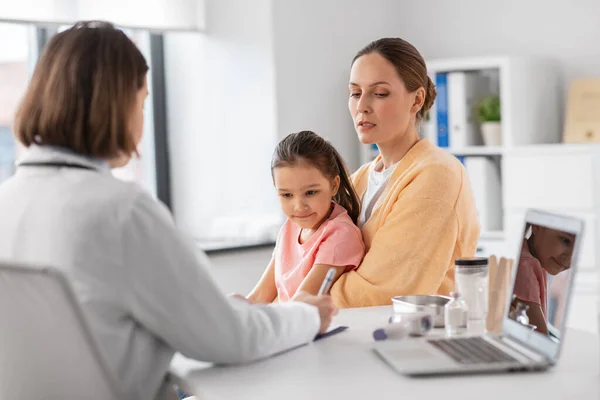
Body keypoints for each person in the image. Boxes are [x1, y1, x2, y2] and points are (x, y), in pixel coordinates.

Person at [0, 21, 336, 400]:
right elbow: (230, 339)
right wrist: (308, 315)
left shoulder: (6, 202)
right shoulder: (122, 213)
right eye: (142, 103)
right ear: (118, 104)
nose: (142, 120)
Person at [330, 37, 480, 307]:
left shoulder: (437, 176)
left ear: (416, 100)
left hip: (416, 339)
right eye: (355, 92)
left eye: (379, 93)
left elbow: (384, 293)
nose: (362, 105)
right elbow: (307, 252)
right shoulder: (362, 178)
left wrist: (299, 298)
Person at [247, 131, 365, 303]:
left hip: (310, 324)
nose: (299, 206)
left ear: (334, 185)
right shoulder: (290, 227)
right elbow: (259, 296)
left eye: (310, 192)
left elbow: (302, 303)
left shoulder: (340, 235)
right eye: (287, 195)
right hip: (289, 322)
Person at [512, 224, 575, 334]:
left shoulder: (537, 261)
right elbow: (540, 338)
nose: (569, 258)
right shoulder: (525, 266)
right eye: (565, 240)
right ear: (537, 226)